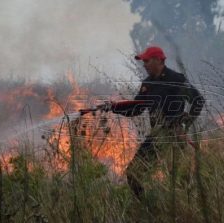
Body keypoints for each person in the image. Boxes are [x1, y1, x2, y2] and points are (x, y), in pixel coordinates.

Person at [81, 46, 204, 198]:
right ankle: (149, 208)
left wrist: (185, 123)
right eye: (143, 61)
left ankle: (177, 210)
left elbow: (198, 100)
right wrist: (112, 107)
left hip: (173, 136)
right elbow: (136, 108)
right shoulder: (147, 84)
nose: (144, 64)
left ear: (159, 60)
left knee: (178, 182)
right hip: (157, 135)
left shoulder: (176, 79)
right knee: (133, 175)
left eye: (147, 60)